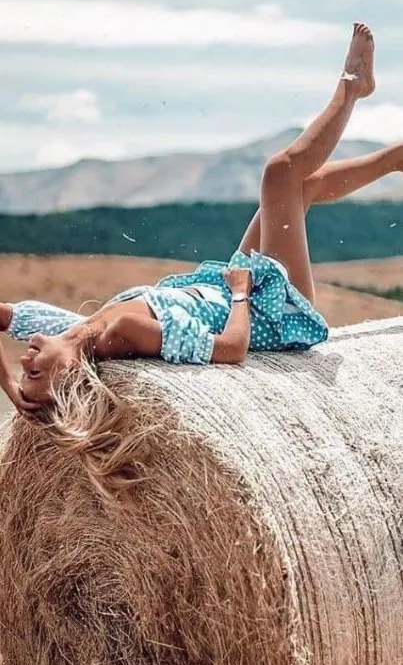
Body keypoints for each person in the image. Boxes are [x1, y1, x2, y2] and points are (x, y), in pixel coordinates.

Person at [0, 21, 396, 420]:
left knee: (298, 189)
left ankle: (394, 159)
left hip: (229, 286)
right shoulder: (117, 334)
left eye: (23, 369)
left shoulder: (74, 327)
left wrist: (12, 392)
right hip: (270, 308)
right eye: (33, 372)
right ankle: (351, 88)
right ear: (67, 374)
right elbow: (230, 349)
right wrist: (241, 292)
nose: (27, 355)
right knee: (281, 174)